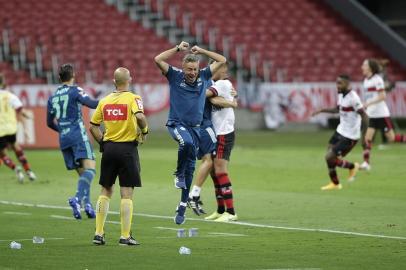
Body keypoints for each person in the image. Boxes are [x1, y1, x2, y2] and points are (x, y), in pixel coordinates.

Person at [154, 41, 226, 225]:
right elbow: (158, 59)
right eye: (189, 69)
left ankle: (182, 205)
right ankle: (178, 174)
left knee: (191, 168)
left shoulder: (204, 75)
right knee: (185, 144)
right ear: (183, 68)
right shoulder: (175, 76)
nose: (192, 73)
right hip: (177, 124)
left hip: (196, 128)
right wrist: (178, 49)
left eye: (194, 69)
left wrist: (201, 50)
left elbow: (222, 59)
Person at [89, 67, 148, 246]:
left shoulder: (104, 101)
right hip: (127, 150)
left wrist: (104, 143)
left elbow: (93, 126)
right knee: (126, 193)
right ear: (129, 79)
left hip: (109, 149)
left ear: (114, 81)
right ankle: (125, 236)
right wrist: (144, 130)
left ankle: (98, 234)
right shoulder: (133, 98)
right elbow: (140, 116)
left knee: (105, 190)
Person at [47, 64, 98, 219]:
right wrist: (109, 100)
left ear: (59, 78)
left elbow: (49, 123)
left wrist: (63, 131)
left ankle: (87, 205)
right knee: (90, 169)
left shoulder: (53, 97)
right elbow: (91, 104)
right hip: (78, 135)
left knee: (82, 174)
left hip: (64, 139)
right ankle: (77, 199)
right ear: (73, 75)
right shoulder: (75, 91)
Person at [188, 63, 239, 222]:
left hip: (224, 132)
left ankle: (231, 212)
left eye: (214, 69)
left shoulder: (223, 83)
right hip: (216, 133)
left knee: (221, 170)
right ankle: (220, 209)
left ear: (223, 70)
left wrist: (225, 101)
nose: (211, 71)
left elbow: (203, 95)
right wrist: (228, 101)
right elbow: (213, 99)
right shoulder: (218, 85)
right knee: (214, 173)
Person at [312, 74, 368, 190]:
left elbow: (365, 116)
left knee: (329, 157)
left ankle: (352, 167)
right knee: (329, 156)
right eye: (336, 83)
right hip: (340, 130)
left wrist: (364, 136)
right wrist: (322, 110)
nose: (337, 85)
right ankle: (336, 183)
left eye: (340, 83)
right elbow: (337, 109)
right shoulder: (341, 95)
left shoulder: (354, 98)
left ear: (347, 84)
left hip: (350, 135)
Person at [360, 59, 406, 171]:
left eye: (364, 65)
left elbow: (382, 96)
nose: (362, 67)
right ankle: (366, 163)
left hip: (381, 114)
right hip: (372, 114)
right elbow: (370, 97)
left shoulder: (377, 80)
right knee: (367, 138)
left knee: (392, 138)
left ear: (370, 68)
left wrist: (367, 103)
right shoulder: (366, 81)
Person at [0, 74, 36, 182]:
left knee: (2, 154)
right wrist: (28, 116)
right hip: (11, 128)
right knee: (17, 148)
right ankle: (29, 171)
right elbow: (21, 110)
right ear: (3, 83)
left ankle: (16, 169)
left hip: (0, 131)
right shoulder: (10, 95)